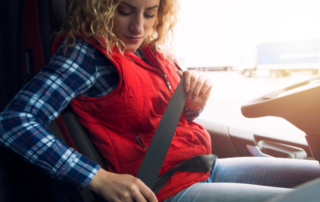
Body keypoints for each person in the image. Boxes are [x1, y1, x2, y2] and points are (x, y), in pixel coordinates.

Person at [1, 0, 320, 201]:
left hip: (203, 168)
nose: (138, 26)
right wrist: (98, 178)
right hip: (165, 189)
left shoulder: (153, 52)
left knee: (314, 177)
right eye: (124, 11)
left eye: (149, 13)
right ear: (101, 7)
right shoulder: (87, 56)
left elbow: (165, 121)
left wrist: (193, 102)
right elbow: (14, 122)